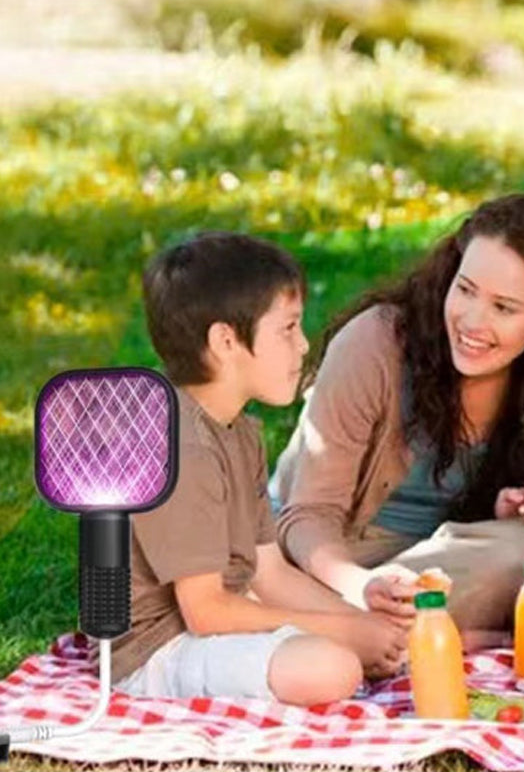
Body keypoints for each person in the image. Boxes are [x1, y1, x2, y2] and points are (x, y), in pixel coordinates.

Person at [272, 193, 524, 646]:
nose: (472, 322)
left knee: (520, 553)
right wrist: (359, 586)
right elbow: (308, 513)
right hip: (327, 557)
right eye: (465, 290)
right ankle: (407, 635)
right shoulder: (376, 342)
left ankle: (362, 636)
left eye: (504, 307)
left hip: (437, 570)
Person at [112, 231, 408, 704]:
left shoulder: (240, 433)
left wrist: (358, 623)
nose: (304, 345)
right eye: (288, 329)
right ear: (226, 341)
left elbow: (269, 574)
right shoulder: (182, 449)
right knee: (332, 666)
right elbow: (205, 612)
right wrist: (344, 634)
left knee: (353, 646)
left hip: (220, 623)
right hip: (158, 651)